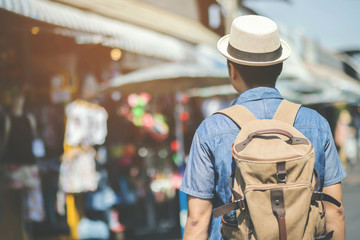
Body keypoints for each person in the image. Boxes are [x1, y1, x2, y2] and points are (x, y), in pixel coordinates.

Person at [180, 15, 346, 240]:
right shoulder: (316, 124)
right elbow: (334, 209)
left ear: (232, 70)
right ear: (279, 68)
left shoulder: (210, 130)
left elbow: (197, 219)